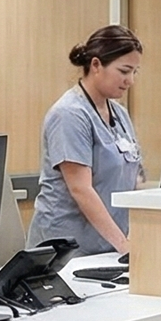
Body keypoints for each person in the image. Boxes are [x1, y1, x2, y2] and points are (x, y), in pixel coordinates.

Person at [33, 25, 143, 256]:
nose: (130, 80)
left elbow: (135, 178)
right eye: (124, 71)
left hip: (106, 246)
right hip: (65, 249)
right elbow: (81, 189)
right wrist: (124, 247)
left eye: (135, 72)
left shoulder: (120, 114)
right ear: (95, 65)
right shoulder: (69, 114)